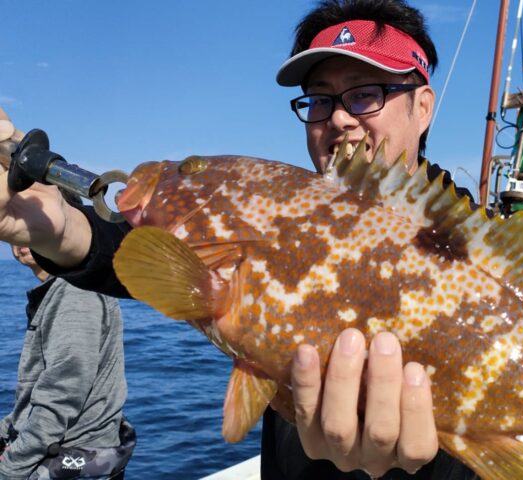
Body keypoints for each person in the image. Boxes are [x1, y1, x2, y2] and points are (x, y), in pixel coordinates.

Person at [0, 1, 478, 478]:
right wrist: (58, 224)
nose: (339, 120)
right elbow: (155, 257)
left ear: (423, 107)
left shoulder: (476, 257)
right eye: (319, 100)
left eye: (365, 94)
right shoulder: (287, 221)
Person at [0, 241, 135, 479]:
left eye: (34, 231)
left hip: (69, 460)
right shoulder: (62, 289)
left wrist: (9, 469)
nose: (22, 240)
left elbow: (61, 397)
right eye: (16, 233)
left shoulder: (74, 294)